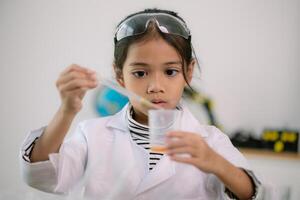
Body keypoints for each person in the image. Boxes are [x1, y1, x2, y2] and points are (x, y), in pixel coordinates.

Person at [20, 8, 260, 200]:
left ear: (189, 70)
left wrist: (215, 162)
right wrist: (67, 111)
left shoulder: (210, 140)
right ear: (119, 76)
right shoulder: (92, 135)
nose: (156, 86)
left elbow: (250, 193)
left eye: (170, 71)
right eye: (140, 73)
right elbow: (40, 177)